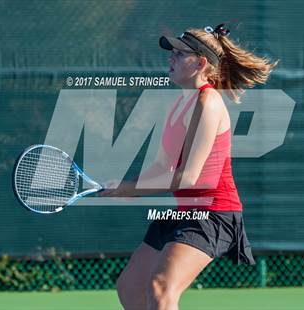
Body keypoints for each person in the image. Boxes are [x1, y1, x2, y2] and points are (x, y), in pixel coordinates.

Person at [100, 23, 278, 310]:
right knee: (130, 287)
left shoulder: (208, 103)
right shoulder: (179, 105)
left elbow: (190, 177)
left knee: (161, 289)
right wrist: (123, 187)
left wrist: (130, 189)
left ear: (201, 63)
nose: (171, 58)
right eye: (172, 53)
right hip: (186, 211)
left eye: (180, 54)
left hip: (215, 214)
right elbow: (161, 166)